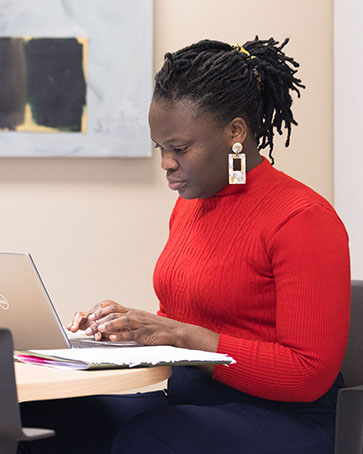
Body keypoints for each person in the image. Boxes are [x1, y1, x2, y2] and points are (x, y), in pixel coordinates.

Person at [18, 37, 350, 454]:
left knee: (151, 440)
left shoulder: (303, 219)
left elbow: (307, 374)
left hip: (291, 419)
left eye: (179, 149)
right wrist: (124, 331)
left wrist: (182, 336)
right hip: (190, 404)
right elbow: (181, 321)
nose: (166, 164)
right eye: (160, 148)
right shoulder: (191, 206)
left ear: (235, 132)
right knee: (44, 421)